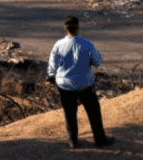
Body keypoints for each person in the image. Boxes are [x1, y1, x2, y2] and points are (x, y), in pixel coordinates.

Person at [48, 15, 113, 149]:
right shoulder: (87, 44)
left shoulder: (59, 44)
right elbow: (97, 62)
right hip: (84, 84)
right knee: (93, 112)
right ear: (78, 27)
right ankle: (100, 140)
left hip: (65, 85)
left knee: (69, 112)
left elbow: (52, 65)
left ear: (65, 28)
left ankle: (72, 140)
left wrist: (50, 76)